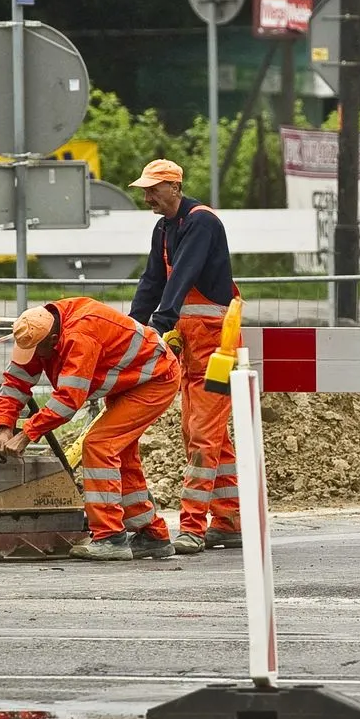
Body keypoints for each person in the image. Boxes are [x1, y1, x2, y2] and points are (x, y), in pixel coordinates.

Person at [0, 298, 181, 562]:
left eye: (40, 350)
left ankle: (110, 537)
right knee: (120, 454)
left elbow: (69, 399)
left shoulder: (81, 335)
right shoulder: (36, 332)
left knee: (99, 445)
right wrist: (3, 426)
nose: (35, 356)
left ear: (54, 338)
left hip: (155, 379)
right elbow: (15, 382)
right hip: (131, 382)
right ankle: (152, 535)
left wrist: (27, 433)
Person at [128, 159, 242, 556]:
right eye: (145, 191)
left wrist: (160, 322)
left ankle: (192, 527)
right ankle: (229, 520)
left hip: (218, 347)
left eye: (153, 190)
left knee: (203, 434)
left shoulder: (201, 222)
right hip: (194, 347)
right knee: (206, 434)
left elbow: (183, 275)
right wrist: (131, 329)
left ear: (174, 187)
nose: (147, 198)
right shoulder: (164, 229)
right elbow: (152, 281)